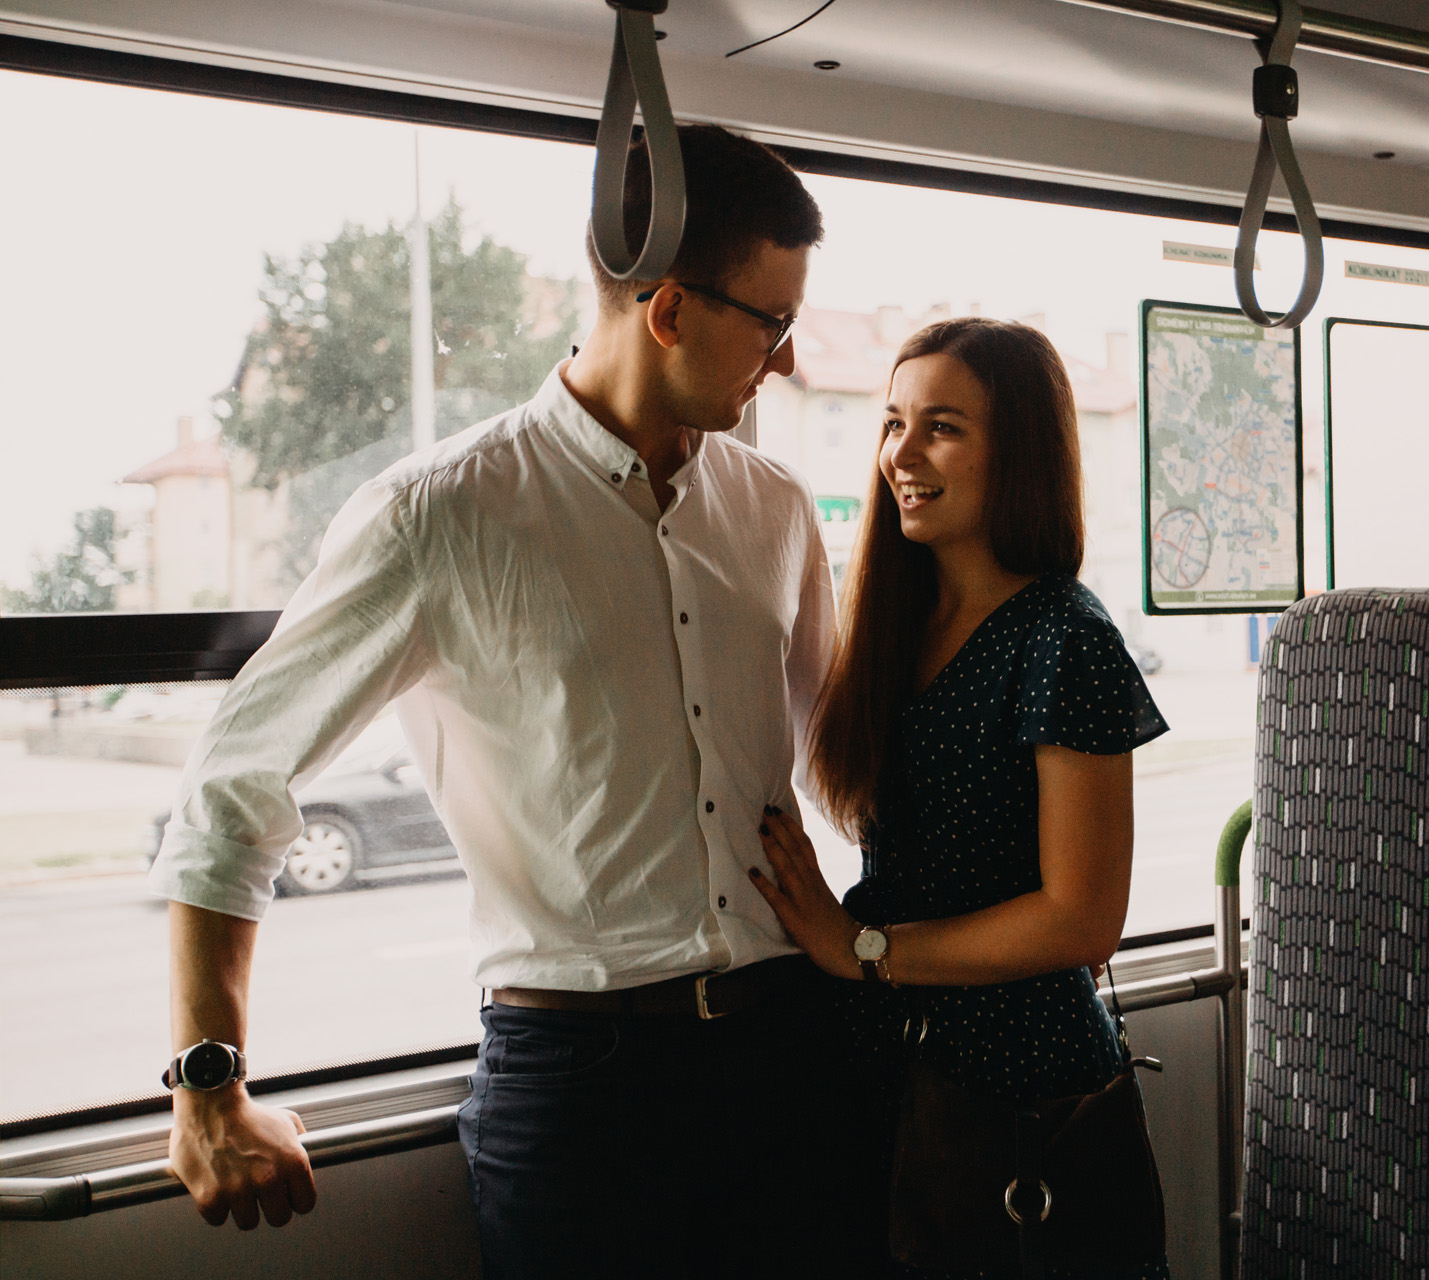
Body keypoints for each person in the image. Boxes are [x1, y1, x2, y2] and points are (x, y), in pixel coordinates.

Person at [149, 124, 853, 1277]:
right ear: (667, 308)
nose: (785, 360)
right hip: (582, 1087)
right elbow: (234, 783)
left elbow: (835, 753)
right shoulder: (439, 513)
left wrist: (929, 939)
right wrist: (210, 1083)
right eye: (771, 323)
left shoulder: (775, 508)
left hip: (791, 1049)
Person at [747, 317, 1172, 1278]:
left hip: (1016, 1091)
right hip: (891, 1067)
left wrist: (862, 950)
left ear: (1017, 450)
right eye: (893, 423)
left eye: (942, 427)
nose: (902, 453)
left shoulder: (1063, 635)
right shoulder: (897, 621)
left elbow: (1083, 918)